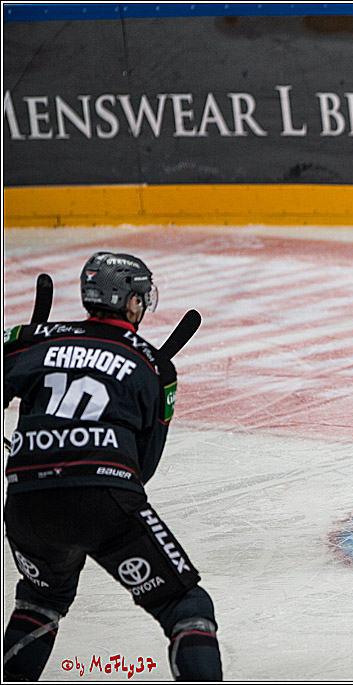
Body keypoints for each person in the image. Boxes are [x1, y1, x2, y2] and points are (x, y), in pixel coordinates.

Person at [3, 252, 222, 680]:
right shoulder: (155, 366)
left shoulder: (30, 340)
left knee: (41, 601)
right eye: (141, 298)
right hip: (104, 499)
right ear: (131, 303)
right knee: (187, 607)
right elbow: (143, 466)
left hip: (27, 503)